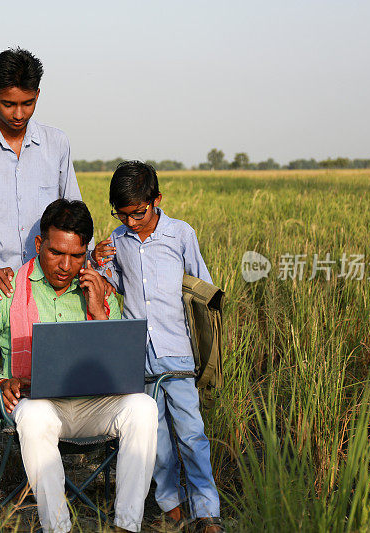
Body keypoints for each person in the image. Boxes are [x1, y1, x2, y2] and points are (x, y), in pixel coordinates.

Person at [0, 199, 158, 533]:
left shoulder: (98, 290)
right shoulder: (7, 289)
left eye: (77, 256)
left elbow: (117, 365)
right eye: (56, 253)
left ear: (87, 251)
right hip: (41, 407)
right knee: (34, 416)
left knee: (144, 407)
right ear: (39, 245)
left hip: (93, 407)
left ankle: (127, 525)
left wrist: (99, 311)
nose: (66, 265)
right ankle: (58, 528)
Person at [0, 47, 85, 501]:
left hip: (46, 285)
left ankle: (45, 467)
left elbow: (73, 209)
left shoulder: (58, 144)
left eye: (27, 103)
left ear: (38, 96)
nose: (18, 113)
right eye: (8, 103)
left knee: (44, 374)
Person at [92, 161, 223, 533]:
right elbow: (107, 287)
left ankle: (207, 510)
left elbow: (203, 293)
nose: (131, 222)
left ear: (156, 200)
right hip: (137, 354)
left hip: (177, 350)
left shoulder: (181, 235)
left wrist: (207, 353)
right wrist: (97, 262)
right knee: (158, 438)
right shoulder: (117, 241)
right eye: (122, 215)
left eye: (138, 213)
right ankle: (171, 503)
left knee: (192, 433)